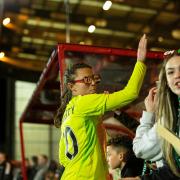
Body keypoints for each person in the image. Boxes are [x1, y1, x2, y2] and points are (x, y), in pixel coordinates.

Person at [54, 34, 147, 180]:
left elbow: (63, 158)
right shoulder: (84, 102)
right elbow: (130, 93)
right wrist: (140, 61)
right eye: (86, 80)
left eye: (94, 79)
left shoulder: (69, 111)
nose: (92, 83)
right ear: (72, 87)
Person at [133, 49, 180, 179]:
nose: (177, 75)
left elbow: (140, 149)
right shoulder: (169, 119)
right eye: (170, 72)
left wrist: (149, 115)